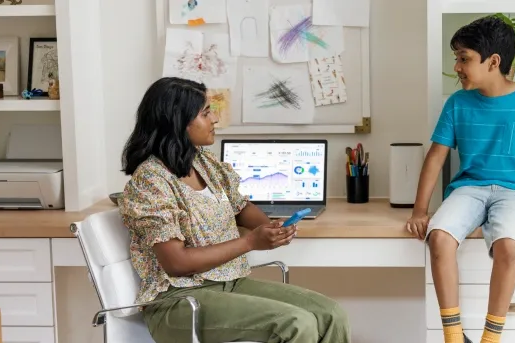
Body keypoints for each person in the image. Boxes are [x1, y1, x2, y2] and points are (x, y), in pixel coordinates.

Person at [118, 77, 351, 343]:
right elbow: (177, 263)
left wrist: (271, 229)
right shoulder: (151, 181)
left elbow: (240, 207)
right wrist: (251, 242)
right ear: (177, 121)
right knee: (296, 324)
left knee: (332, 314)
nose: (214, 119)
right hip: (178, 300)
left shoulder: (204, 163)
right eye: (205, 113)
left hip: (230, 283)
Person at [405, 16, 515, 343]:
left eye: (464, 58)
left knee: (508, 248)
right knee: (440, 238)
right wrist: (420, 211)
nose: (457, 66)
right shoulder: (457, 103)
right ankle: (453, 335)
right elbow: (436, 157)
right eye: (456, 58)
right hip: (469, 188)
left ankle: (491, 337)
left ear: (493, 62)